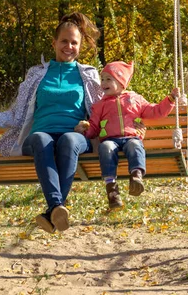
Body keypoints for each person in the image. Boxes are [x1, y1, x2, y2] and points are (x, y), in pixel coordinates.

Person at [0, 12, 103, 234]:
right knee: (42, 140)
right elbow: (18, 113)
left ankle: (52, 210)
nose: (68, 46)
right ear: (54, 43)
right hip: (40, 135)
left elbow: (100, 111)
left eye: (74, 42)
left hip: (76, 136)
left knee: (69, 141)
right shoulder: (36, 74)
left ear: (80, 46)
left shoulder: (89, 74)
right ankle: (55, 208)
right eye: (64, 41)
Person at [74, 61, 179, 210]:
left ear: (121, 82)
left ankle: (136, 176)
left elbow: (155, 111)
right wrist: (85, 129)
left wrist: (170, 100)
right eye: (102, 79)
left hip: (131, 137)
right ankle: (111, 189)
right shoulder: (100, 105)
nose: (103, 83)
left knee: (135, 145)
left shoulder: (134, 99)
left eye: (108, 79)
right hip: (111, 140)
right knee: (106, 147)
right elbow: (95, 127)